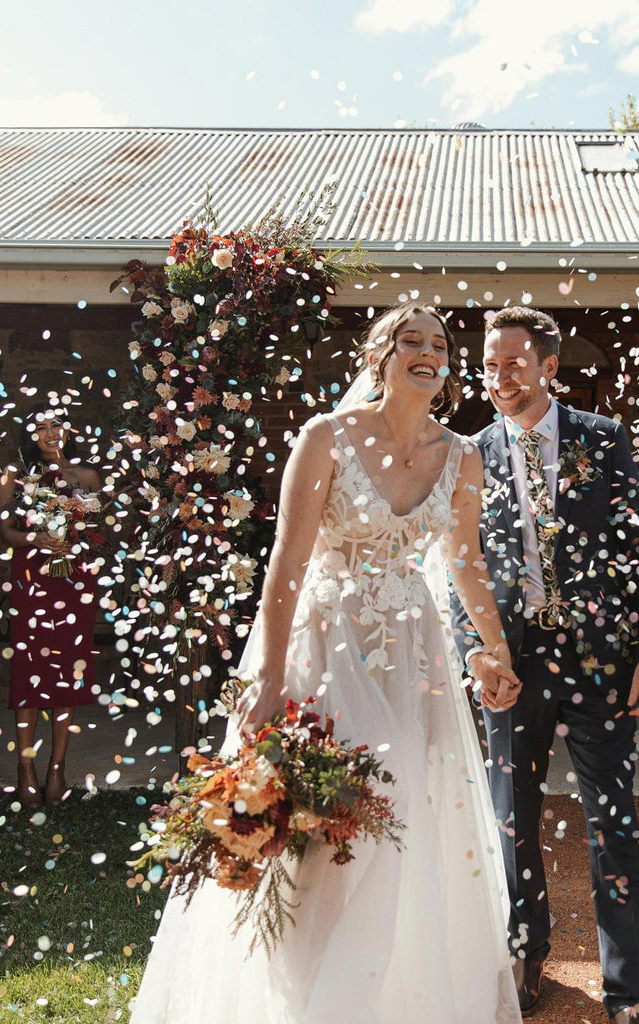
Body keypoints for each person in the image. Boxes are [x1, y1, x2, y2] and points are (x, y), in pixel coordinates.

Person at [131, 302, 523, 1023]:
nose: (429, 352)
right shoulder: (327, 438)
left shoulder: (463, 456)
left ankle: (375, 994)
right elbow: (287, 561)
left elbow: (464, 565)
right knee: (317, 820)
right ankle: (297, 994)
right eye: (412, 340)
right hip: (326, 642)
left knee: (400, 801)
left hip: (412, 655)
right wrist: (271, 679)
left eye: (439, 344)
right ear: (381, 354)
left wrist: (490, 651)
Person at [452, 306, 639, 1024]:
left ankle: (628, 990)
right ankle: (524, 959)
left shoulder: (602, 439)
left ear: (549, 366)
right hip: (511, 664)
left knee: (611, 820)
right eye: (489, 363)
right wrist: (477, 651)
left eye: (512, 362)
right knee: (512, 820)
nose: (497, 375)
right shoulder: (469, 452)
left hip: (600, 662)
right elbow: (460, 564)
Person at [0, 403, 101, 808]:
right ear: (29, 434)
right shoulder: (15, 476)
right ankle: (26, 768)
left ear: (68, 428)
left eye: (55, 424)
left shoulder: (88, 476)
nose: (48, 433)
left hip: (74, 579)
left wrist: (76, 535)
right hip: (32, 577)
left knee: (67, 670)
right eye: (39, 427)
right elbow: (4, 529)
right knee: (30, 670)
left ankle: (57, 768)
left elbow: (99, 532)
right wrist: (35, 540)